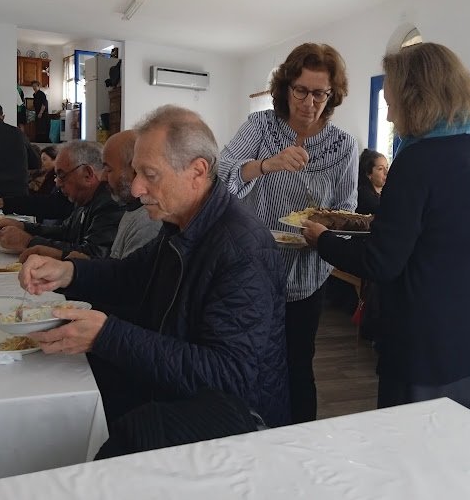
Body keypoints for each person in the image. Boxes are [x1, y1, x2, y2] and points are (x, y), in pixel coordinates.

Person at [21, 105, 289, 456]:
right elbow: (131, 274)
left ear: (197, 171)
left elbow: (228, 375)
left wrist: (107, 336)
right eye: (135, 172)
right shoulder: (183, 222)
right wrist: (68, 272)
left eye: (149, 174)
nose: (135, 189)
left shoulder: (242, 249)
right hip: (173, 390)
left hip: (237, 426)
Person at [302, 42, 470, 416]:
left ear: (416, 99)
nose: (388, 115)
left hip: (431, 344)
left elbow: (382, 261)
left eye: (391, 102)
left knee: (412, 444)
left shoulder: (417, 161)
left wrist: (323, 239)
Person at [219, 42, 358, 424]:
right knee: (248, 357)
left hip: (307, 271)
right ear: (285, 87)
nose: (309, 103)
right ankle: (246, 431)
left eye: (319, 94)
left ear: (332, 95)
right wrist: (266, 165)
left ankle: (297, 440)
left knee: (298, 362)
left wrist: (324, 228)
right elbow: (222, 174)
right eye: (301, 91)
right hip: (254, 266)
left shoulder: (343, 146)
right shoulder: (261, 127)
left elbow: (346, 209)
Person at [0, 140, 123, 260]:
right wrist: (23, 226)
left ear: (87, 174)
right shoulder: (85, 199)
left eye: (62, 175)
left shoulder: (109, 203)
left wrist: (29, 242)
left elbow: (92, 255)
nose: (58, 183)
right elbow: (65, 232)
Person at [66, 131, 161, 260]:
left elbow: (129, 272)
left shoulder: (148, 221)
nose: (103, 177)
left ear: (134, 169)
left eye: (108, 169)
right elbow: (118, 266)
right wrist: (84, 265)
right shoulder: (132, 210)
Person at [356, 149, 388, 215]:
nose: (386, 172)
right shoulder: (364, 195)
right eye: (380, 169)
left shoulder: (385, 192)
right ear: (368, 173)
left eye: (387, 167)